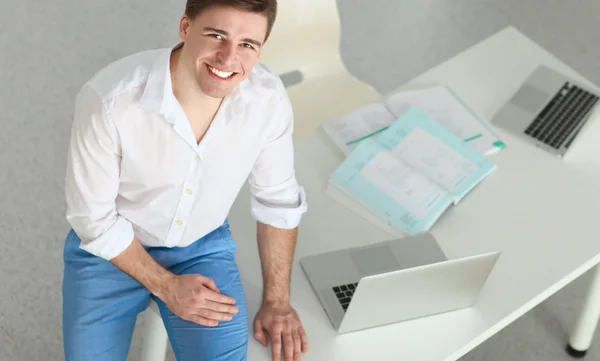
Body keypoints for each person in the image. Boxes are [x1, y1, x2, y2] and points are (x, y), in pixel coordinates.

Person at [61, 0, 309, 360]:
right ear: (184, 27)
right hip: (110, 247)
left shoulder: (266, 100)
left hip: (201, 244)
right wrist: (166, 286)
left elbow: (278, 200)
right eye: (216, 35)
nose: (228, 58)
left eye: (247, 44)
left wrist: (277, 302)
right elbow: (92, 220)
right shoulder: (110, 101)